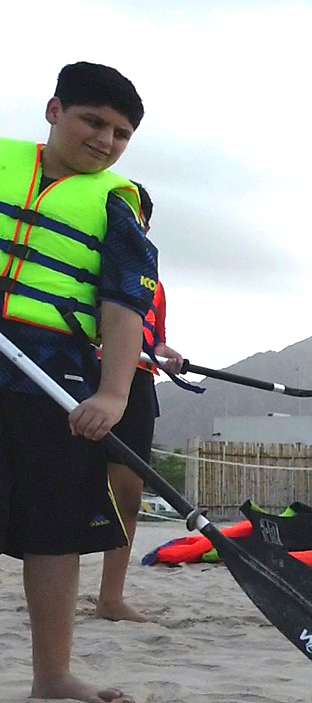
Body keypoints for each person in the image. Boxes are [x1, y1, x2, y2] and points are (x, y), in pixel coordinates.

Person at [0, 62, 156, 703]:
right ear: (54, 110)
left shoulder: (119, 201)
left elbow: (124, 306)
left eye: (121, 133)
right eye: (94, 121)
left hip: (51, 370)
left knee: (56, 525)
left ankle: (53, 676)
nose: (106, 141)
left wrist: (114, 395)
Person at [95, 183, 189, 623]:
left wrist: (167, 353)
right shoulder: (84, 257)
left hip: (137, 383)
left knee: (127, 495)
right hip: (79, 373)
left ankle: (110, 599)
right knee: (61, 488)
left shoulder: (154, 281)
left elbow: (154, 338)